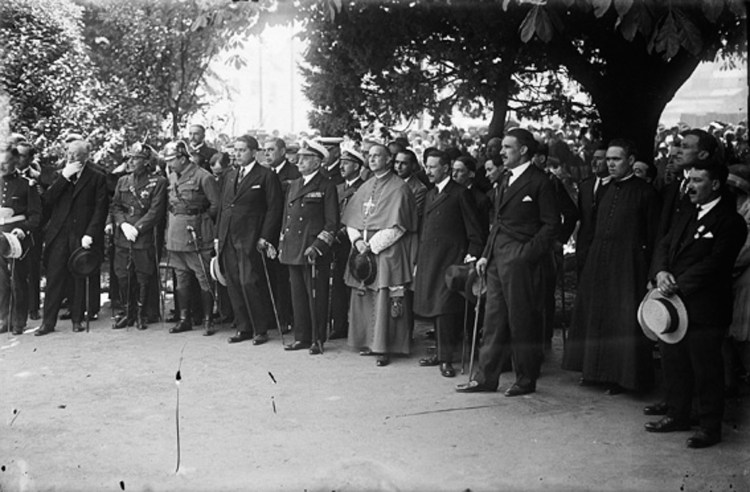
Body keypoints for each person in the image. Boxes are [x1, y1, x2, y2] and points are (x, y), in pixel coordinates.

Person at [645, 159, 747, 448]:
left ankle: (709, 427)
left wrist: (676, 284)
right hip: (673, 305)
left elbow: (717, 264)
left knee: (706, 368)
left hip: (705, 307)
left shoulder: (731, 222)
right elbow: (665, 244)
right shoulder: (687, 212)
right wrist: (660, 272)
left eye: (697, 180)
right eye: (689, 180)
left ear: (715, 184)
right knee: (673, 361)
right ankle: (677, 415)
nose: (689, 186)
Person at [456, 128, 559, 396]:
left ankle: (525, 380)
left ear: (523, 150)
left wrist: (526, 255)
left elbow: (551, 225)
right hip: (496, 259)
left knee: (522, 321)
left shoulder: (540, 182)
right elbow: (498, 223)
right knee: (492, 320)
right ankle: (485, 378)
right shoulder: (505, 178)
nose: (501, 152)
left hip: (521, 260)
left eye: (507, 147)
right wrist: (485, 255)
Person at [563, 139, 660, 394]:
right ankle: (595, 372)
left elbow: (653, 235)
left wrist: (650, 271)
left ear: (630, 161)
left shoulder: (645, 192)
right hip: (599, 260)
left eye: (616, 159)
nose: (611, 164)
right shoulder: (606, 190)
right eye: (608, 159)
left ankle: (622, 379)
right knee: (596, 315)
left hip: (628, 264)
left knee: (621, 319)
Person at [342, 143, 418, 366]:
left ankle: (385, 347)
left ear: (388, 160)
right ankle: (367, 342)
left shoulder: (399, 188)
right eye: (370, 156)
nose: (372, 159)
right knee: (364, 296)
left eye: (378, 156)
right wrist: (357, 240)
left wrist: (372, 246)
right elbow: (351, 219)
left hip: (387, 251)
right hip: (362, 250)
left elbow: (399, 226)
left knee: (386, 298)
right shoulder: (365, 186)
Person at [414, 150, 485, 378]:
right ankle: (439, 353)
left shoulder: (460, 193)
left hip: (451, 260)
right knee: (435, 307)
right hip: (430, 259)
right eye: (427, 166)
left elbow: (475, 230)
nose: (428, 171)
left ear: (445, 168)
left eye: (433, 167)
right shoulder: (430, 194)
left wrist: (472, 255)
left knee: (445, 309)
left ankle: (446, 359)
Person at [36, 140, 109, 335]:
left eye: (76, 155)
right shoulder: (59, 175)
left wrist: (90, 233)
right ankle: (47, 322)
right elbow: (47, 201)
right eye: (69, 153)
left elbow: (100, 210)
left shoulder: (97, 177)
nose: (71, 157)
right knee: (54, 278)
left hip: (81, 234)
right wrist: (64, 178)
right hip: (59, 234)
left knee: (79, 278)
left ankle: (77, 319)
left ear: (86, 156)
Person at [216, 135, 282, 344]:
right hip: (229, 235)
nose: (237, 154)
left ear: (254, 152)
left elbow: (274, 209)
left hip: (250, 237)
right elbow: (223, 207)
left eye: (242, 150)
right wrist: (218, 236)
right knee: (234, 282)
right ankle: (243, 327)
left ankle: (260, 328)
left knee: (250, 282)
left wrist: (265, 236)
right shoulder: (230, 175)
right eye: (235, 150)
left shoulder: (265, 175)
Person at [279, 140, 339, 354]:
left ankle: (317, 338)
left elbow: (332, 223)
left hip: (312, 249)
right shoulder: (295, 184)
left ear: (317, 162)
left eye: (305, 158)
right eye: (299, 158)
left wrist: (318, 246)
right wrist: (282, 244)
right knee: (298, 297)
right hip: (294, 247)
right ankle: (301, 337)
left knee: (317, 297)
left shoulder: (326, 185)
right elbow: (287, 218)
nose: (299, 161)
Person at [163, 140, 219, 336]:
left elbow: (215, 206)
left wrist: (201, 222)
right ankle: (184, 319)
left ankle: (208, 320)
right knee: (181, 279)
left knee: (204, 278)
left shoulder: (203, 177)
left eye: (172, 160)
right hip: (175, 234)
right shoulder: (172, 177)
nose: (169, 164)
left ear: (182, 158)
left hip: (196, 235)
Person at [109, 144, 167, 330]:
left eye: (136, 158)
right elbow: (116, 206)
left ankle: (142, 314)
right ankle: (128, 313)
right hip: (123, 234)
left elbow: (156, 211)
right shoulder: (123, 181)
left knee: (143, 274)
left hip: (143, 235)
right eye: (130, 158)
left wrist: (138, 228)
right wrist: (122, 224)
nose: (131, 162)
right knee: (122, 275)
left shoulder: (158, 182)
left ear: (147, 161)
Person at [0, 145, 41, 335]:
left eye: (6, 162)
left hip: (17, 238)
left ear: (16, 162)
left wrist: (23, 229)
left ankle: (18, 321)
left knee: (17, 280)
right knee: (1, 281)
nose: (2, 166)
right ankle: (4, 319)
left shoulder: (26, 185)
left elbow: (36, 215)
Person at [264, 138, 301, 332]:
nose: (267, 154)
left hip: (286, 232)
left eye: (271, 150)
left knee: (283, 278)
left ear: (282, 152)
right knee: (268, 276)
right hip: (267, 232)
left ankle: (286, 318)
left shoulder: (294, 174)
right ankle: (271, 317)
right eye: (265, 150)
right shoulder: (264, 173)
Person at [330, 146, 366, 339]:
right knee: (337, 283)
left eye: (346, 163)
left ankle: (357, 326)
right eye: (341, 163)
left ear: (357, 166)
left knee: (354, 284)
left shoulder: (364, 188)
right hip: (336, 242)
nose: (341, 167)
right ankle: (340, 325)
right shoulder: (337, 188)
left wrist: (344, 232)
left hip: (354, 242)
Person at [724, 164, 750, 395]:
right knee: (727, 330)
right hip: (726, 274)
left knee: (743, 331)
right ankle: (728, 381)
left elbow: (746, 249)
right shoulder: (727, 207)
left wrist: (727, 266)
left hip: (744, 276)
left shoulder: (748, 209)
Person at [575, 143, 609, 276]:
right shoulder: (585, 186)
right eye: (593, 158)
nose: (594, 162)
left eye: (599, 159)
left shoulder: (617, 187)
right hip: (585, 247)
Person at [394, 149, 427, 221]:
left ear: (413, 166)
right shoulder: (390, 182)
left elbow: (413, 215)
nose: (398, 167)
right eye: (396, 162)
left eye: (404, 163)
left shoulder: (419, 189)